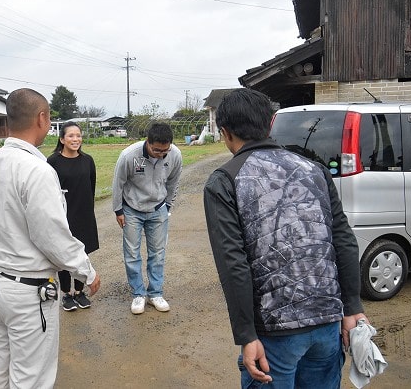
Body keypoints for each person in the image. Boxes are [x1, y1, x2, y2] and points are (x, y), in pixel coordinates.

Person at [203, 88, 368, 389]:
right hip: (328, 320)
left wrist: (247, 335)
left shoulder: (225, 180)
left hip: (274, 332)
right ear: (270, 126)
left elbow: (233, 264)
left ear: (225, 133)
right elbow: (342, 239)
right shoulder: (315, 170)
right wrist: (352, 306)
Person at [0, 88, 101, 389]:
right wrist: (87, 270)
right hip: (26, 289)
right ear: (42, 119)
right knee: (31, 377)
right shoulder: (37, 170)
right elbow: (52, 236)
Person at [112, 122, 182, 314]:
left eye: (165, 151)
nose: (161, 154)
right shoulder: (129, 155)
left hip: (158, 208)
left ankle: (155, 293)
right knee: (132, 254)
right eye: (157, 150)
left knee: (158, 253)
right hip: (132, 209)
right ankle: (138, 294)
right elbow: (118, 183)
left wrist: (168, 206)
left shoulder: (174, 155)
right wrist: (118, 210)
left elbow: (174, 182)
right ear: (148, 142)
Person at [47, 122, 100, 312]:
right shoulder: (52, 161)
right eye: (71, 136)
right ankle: (66, 294)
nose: (75, 139)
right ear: (62, 139)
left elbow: (91, 186)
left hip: (83, 212)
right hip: (62, 213)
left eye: (78, 135)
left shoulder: (88, 160)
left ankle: (79, 292)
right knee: (62, 253)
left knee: (81, 252)